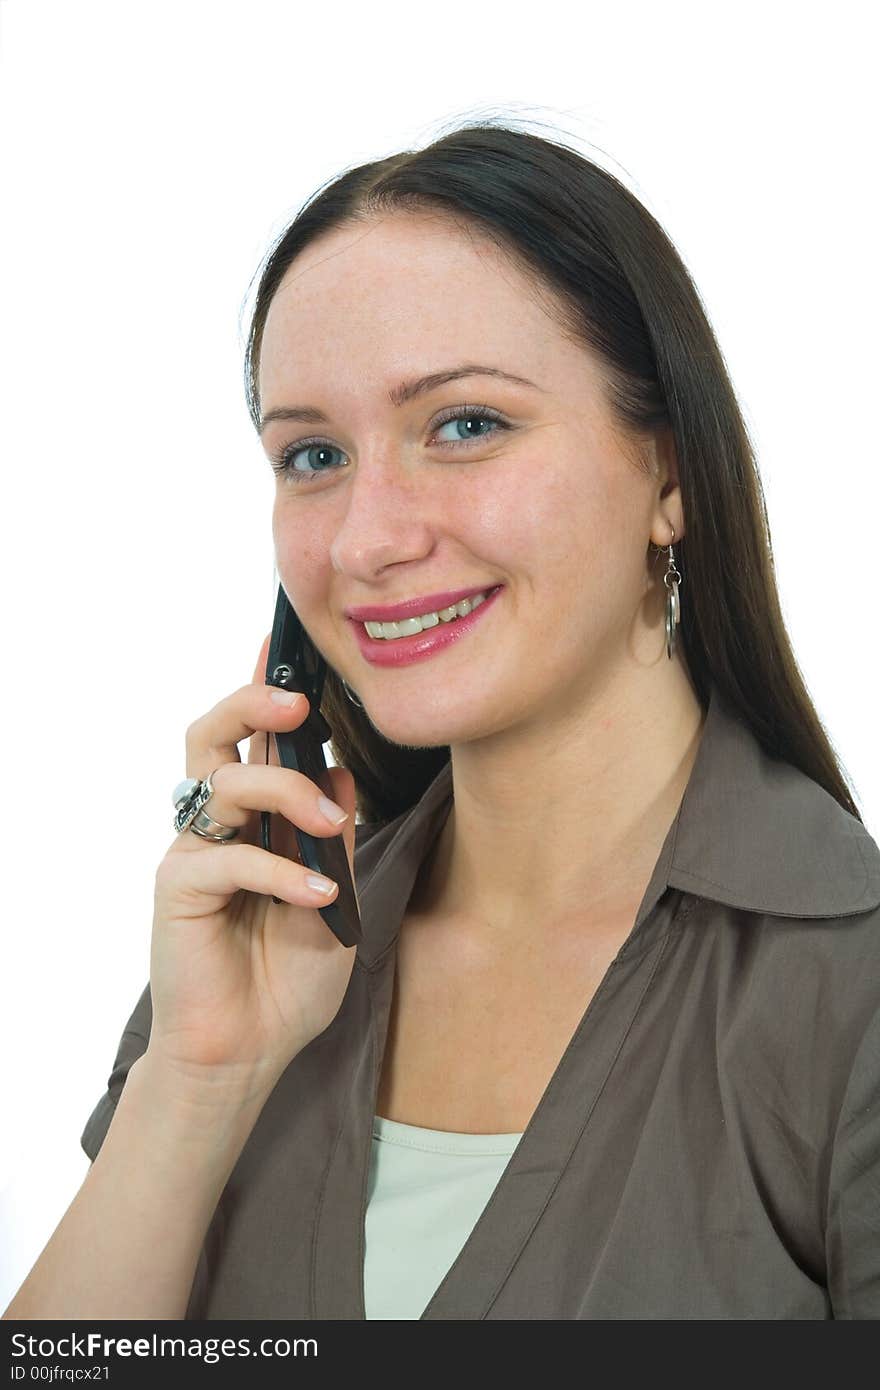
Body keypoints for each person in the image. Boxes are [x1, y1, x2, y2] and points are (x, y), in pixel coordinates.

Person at [4, 121, 879, 1322]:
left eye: (465, 425)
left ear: (668, 477)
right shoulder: (260, 962)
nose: (366, 540)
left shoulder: (847, 991)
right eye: (311, 453)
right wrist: (198, 1082)